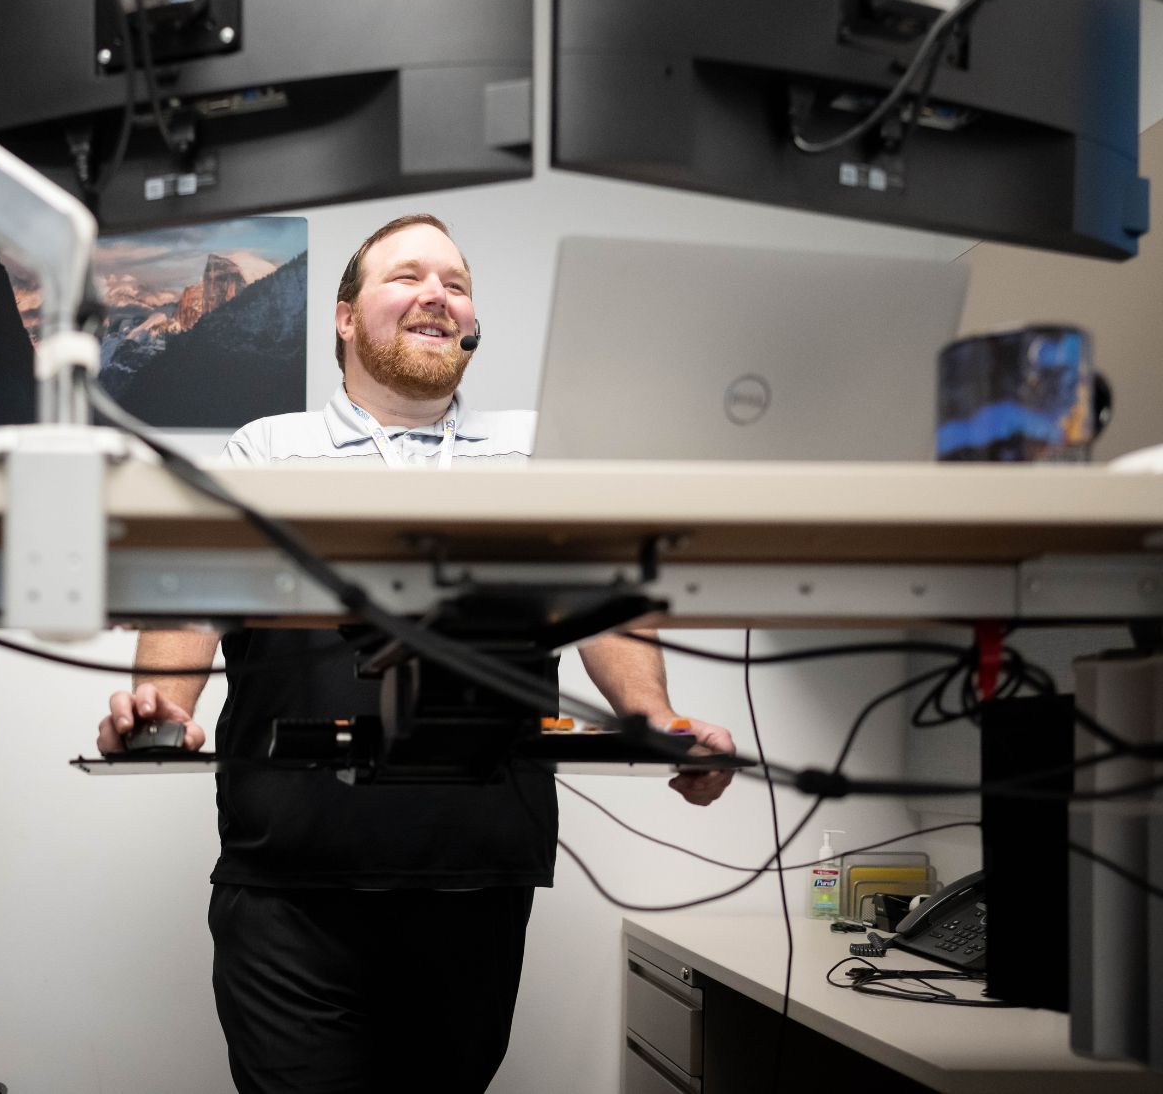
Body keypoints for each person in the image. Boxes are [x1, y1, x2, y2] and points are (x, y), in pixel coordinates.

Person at [96, 213, 735, 1094]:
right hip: (290, 886)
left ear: (471, 325)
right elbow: (192, 604)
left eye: (457, 283)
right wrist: (159, 708)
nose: (437, 293)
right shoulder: (266, 450)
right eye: (407, 276)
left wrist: (655, 722)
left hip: (478, 878)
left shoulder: (541, 454)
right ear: (345, 318)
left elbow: (605, 612)